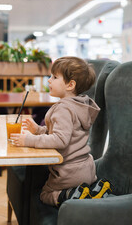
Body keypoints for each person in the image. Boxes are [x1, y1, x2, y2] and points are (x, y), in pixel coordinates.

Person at [10, 56, 100, 207]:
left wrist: (28, 140)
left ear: (70, 85)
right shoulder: (79, 105)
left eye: (54, 77)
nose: (49, 80)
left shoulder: (64, 108)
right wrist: (38, 130)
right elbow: (66, 133)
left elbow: (60, 140)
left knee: (45, 194)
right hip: (86, 168)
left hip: (68, 172)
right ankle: (92, 192)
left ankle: (68, 195)